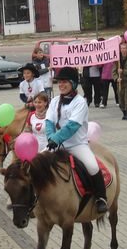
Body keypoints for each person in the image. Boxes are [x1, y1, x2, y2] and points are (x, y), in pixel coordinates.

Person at [46, 67, 107, 213]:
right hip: (56, 144)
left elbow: (72, 126)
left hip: (77, 144)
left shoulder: (80, 102)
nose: (61, 85)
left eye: (65, 82)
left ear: (73, 84)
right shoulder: (54, 101)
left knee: (92, 166)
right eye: (59, 82)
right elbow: (49, 121)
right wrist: (50, 137)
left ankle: (101, 198)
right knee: (36, 162)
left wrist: (55, 138)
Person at [113, 41, 127, 120]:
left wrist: (123, 71)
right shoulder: (117, 60)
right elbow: (114, 71)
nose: (123, 50)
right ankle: (123, 112)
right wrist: (116, 78)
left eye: (124, 48)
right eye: (121, 48)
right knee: (121, 99)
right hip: (120, 82)